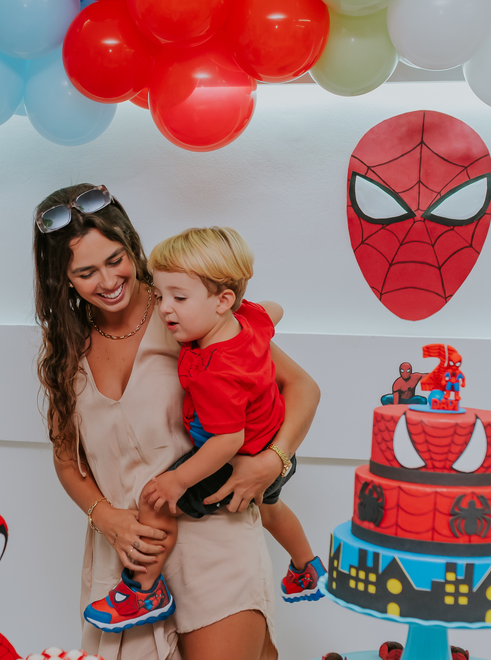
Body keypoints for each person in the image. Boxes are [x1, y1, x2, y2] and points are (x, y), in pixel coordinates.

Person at [32, 184, 321, 660]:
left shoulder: (186, 315)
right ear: (63, 280)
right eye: (85, 272)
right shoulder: (65, 353)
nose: (108, 280)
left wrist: (270, 461)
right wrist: (108, 518)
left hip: (215, 550)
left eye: (116, 260)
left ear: (133, 248)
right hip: (130, 564)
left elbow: (303, 390)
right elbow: (67, 462)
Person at [84, 227, 323, 633]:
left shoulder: (217, 373)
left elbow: (226, 441)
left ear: (223, 299)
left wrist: (177, 481)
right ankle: (307, 566)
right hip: (276, 442)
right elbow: (274, 309)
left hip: (238, 454)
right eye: (160, 296)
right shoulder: (248, 320)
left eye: (178, 298)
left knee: (154, 500)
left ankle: (143, 592)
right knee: (271, 507)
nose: (164, 309)